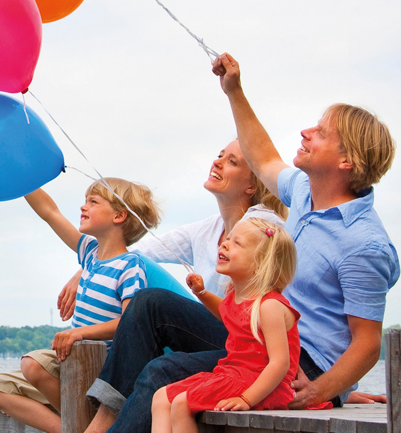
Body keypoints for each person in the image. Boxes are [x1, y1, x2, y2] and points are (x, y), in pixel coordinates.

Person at [80, 54, 397, 433]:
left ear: (346, 160)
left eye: (321, 133)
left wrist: (319, 391)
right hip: (252, 337)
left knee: (163, 371)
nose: (305, 132)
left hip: (298, 363)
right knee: (151, 305)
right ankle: (105, 418)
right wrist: (234, 91)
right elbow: (262, 155)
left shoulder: (364, 243)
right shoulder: (303, 192)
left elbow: (366, 343)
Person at [0, 178, 162, 433]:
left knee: (33, 364)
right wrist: (19, 177)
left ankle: (82, 421)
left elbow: (130, 322)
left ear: (119, 215)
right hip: (73, 364)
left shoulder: (130, 265)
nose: (83, 207)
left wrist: (78, 332)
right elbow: (50, 212)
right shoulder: (90, 254)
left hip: (102, 367)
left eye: (93, 202)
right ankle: (76, 428)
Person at [57, 139, 287, 321]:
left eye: (232, 162)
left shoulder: (264, 223)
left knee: (147, 292)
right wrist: (89, 267)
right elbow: (143, 251)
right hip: (210, 327)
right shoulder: (206, 229)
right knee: (135, 262)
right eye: (220, 155)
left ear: (252, 185)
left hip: (239, 333)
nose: (217, 162)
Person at [152, 218, 305, 433]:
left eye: (237, 243)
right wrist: (202, 294)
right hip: (233, 374)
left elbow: (280, 364)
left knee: (182, 403)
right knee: (161, 397)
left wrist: (247, 398)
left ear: (261, 263)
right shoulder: (236, 297)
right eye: (228, 238)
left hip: (262, 385)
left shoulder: (269, 305)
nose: (225, 243)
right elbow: (227, 313)